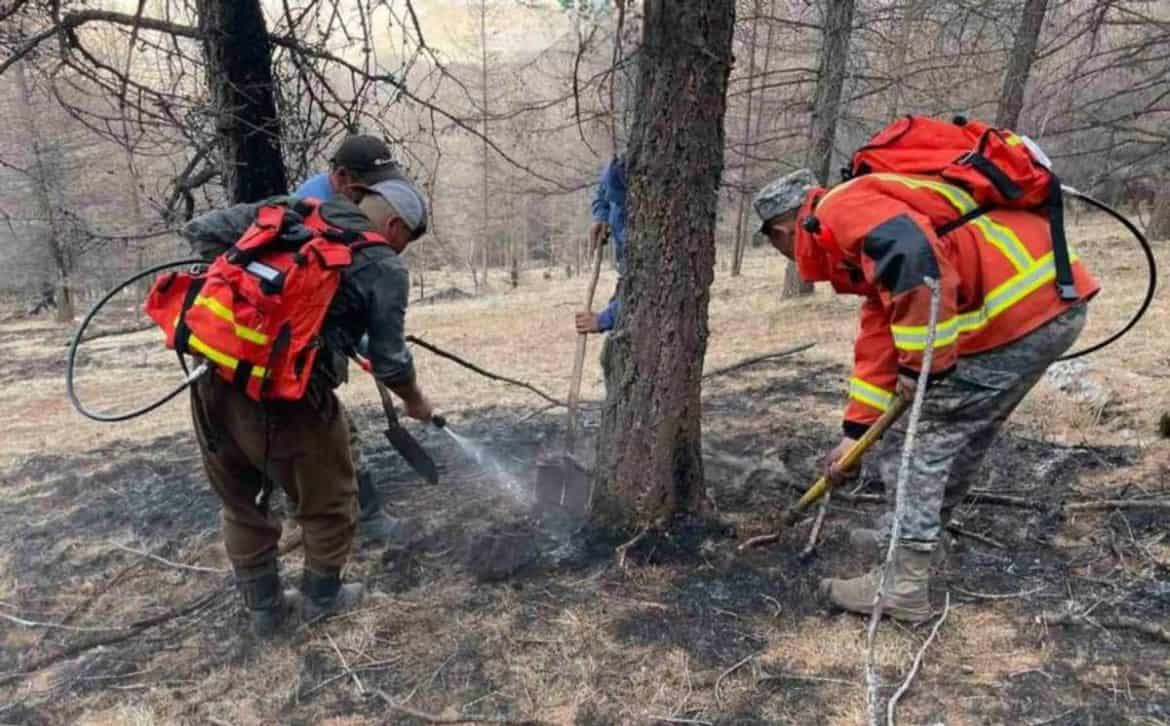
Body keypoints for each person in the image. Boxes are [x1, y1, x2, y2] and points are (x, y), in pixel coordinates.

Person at [753, 168, 1098, 622]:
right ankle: (917, 538)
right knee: (963, 431)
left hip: (1017, 312)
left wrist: (921, 366)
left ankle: (902, 583)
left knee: (915, 438)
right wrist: (854, 435)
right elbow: (881, 328)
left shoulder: (841, 208)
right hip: (1047, 305)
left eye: (777, 246)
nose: (786, 257)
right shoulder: (856, 218)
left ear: (781, 230)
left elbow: (912, 257)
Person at [182, 180, 434, 636]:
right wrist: (415, 400)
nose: (400, 250)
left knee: (241, 501)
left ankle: (265, 612)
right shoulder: (384, 265)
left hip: (212, 378)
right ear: (395, 225)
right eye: (406, 241)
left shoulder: (293, 210)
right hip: (289, 398)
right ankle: (323, 599)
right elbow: (392, 361)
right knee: (331, 500)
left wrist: (255, 302)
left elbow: (200, 232)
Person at [294, 135, 414, 544]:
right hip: (290, 356)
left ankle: (344, 512)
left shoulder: (346, 202)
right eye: (369, 183)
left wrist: (363, 338)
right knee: (338, 436)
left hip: (289, 350)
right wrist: (373, 347)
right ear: (342, 178)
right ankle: (358, 519)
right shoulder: (318, 205)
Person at [575, 155, 626, 335]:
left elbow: (643, 289)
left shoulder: (645, 227)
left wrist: (603, 320)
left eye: (617, 199)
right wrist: (601, 216)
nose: (611, 200)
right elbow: (602, 191)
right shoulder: (620, 165)